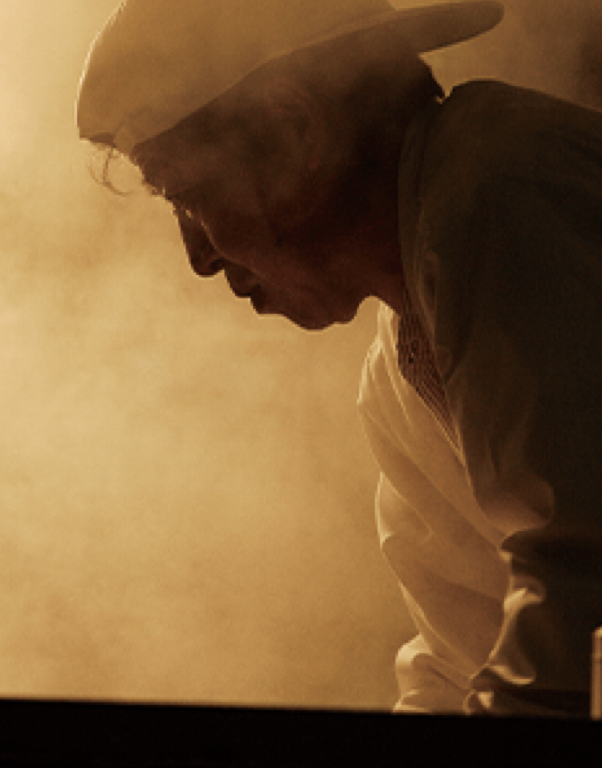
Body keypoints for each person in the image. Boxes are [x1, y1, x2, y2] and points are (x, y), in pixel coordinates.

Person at [75, 0, 602, 717]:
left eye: (188, 195)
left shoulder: (499, 186)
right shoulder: (395, 374)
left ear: (297, 130)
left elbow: (576, 579)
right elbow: (459, 657)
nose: (198, 257)